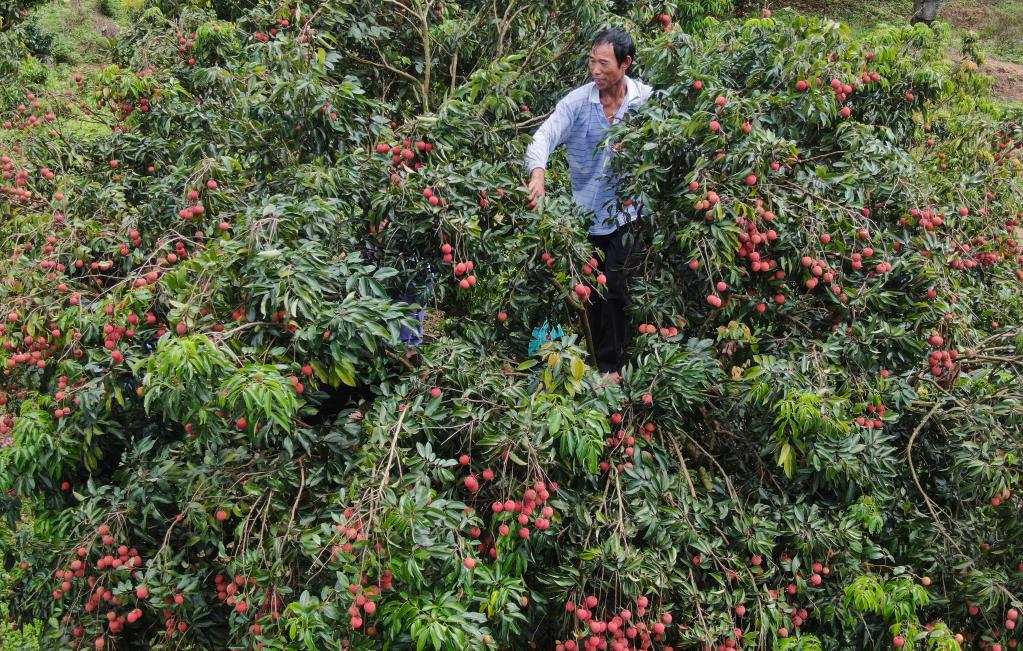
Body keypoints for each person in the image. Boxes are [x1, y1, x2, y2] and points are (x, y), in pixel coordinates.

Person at [525, 28, 653, 380]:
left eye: (604, 63)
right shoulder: (578, 102)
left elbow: (667, 142)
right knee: (590, 291)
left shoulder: (646, 102)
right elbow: (545, 135)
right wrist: (538, 172)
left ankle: (613, 365)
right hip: (584, 215)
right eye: (591, 62)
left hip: (629, 213)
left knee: (617, 285)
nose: (595, 70)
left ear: (626, 63)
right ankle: (594, 360)